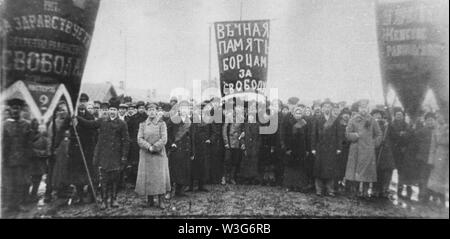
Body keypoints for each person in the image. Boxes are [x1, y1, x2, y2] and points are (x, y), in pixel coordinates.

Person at [75, 97, 130, 209]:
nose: (112, 112)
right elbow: (89, 124)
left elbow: (126, 141)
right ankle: (104, 200)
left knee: (115, 178)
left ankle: (114, 199)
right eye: (111, 110)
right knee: (104, 179)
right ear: (108, 111)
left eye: (114, 110)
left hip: (116, 155)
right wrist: (77, 117)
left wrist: (124, 156)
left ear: (117, 111)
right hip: (104, 154)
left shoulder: (122, 124)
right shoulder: (102, 121)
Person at [135, 102, 171, 209]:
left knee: (160, 177)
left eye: (153, 110)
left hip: (158, 155)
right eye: (149, 110)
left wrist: (154, 147)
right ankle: (149, 200)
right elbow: (139, 139)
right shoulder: (142, 124)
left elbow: (164, 139)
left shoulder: (162, 124)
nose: (151, 112)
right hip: (146, 155)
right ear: (146, 112)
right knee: (148, 178)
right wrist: (148, 147)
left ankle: (161, 200)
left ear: (156, 112)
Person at [344, 100, 382, 199]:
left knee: (367, 173)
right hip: (356, 149)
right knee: (355, 172)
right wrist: (355, 135)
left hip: (368, 150)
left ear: (367, 108)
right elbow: (347, 134)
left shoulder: (372, 120)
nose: (363, 110)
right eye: (361, 108)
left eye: (365, 108)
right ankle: (355, 192)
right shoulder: (353, 119)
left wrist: (373, 143)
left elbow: (379, 134)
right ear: (358, 108)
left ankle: (365, 193)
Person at [2, 98, 33, 214]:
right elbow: (3, 144)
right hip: (8, 160)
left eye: (18, 108)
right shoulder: (5, 125)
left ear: (21, 110)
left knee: (21, 183)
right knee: (9, 183)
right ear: (10, 109)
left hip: (22, 160)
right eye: (13, 108)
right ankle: (9, 205)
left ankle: (20, 204)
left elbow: (29, 143)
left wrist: (27, 157)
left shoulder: (26, 124)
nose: (15, 111)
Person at [311, 100, 342, 197]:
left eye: (329, 107)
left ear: (331, 108)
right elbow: (313, 134)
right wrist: (313, 147)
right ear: (322, 108)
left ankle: (330, 189)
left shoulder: (335, 119)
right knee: (319, 169)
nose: (327, 108)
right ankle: (319, 190)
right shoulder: (317, 119)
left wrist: (339, 147)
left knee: (330, 169)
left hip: (331, 148)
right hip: (320, 147)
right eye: (325, 107)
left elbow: (339, 135)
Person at [68, 104, 97, 204]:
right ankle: (79, 195)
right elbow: (70, 134)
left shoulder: (90, 118)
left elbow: (92, 130)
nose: (82, 112)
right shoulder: (72, 119)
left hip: (88, 150)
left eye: (83, 110)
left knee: (90, 174)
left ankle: (92, 194)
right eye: (80, 110)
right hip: (76, 151)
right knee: (77, 175)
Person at [167, 100, 195, 197]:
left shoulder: (189, 121)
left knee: (184, 170)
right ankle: (170, 191)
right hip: (176, 149)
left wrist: (192, 152)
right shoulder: (173, 119)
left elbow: (192, 137)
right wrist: (171, 144)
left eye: (186, 108)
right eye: (182, 108)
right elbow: (167, 133)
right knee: (174, 171)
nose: (184, 110)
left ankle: (180, 191)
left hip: (186, 150)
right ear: (179, 109)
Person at [45, 102, 71, 203]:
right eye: (60, 110)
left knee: (64, 171)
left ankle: (62, 190)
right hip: (55, 151)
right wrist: (50, 151)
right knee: (51, 173)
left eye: (64, 110)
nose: (62, 112)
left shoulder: (70, 122)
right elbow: (50, 138)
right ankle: (48, 193)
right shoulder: (54, 123)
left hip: (66, 151)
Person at [281, 106, 311, 192]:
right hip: (290, 148)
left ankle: (298, 185)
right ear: (293, 113)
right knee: (290, 168)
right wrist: (286, 148)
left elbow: (307, 137)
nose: (298, 115)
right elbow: (283, 135)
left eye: (300, 113)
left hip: (301, 148)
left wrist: (307, 149)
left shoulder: (304, 123)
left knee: (300, 168)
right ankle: (289, 185)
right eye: (297, 113)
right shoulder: (288, 122)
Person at [427, 112, 449, 209]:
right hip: (438, 155)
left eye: (443, 117)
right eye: (439, 117)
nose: (441, 119)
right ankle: (437, 197)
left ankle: (443, 198)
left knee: (446, 177)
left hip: (447, 155)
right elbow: (433, 146)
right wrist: (431, 160)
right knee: (436, 177)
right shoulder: (436, 130)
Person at [372, 108, 395, 199]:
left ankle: (384, 190)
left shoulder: (387, 125)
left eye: (379, 114)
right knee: (376, 171)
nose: (377, 116)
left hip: (386, 152)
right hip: (376, 151)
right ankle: (376, 190)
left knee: (387, 171)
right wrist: (377, 142)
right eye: (375, 114)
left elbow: (393, 136)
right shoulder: (371, 125)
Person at [125, 101, 147, 187]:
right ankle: (134, 181)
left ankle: (144, 181)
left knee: (144, 162)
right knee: (135, 162)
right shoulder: (133, 118)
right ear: (137, 109)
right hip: (135, 143)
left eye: (142, 108)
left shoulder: (147, 118)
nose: (141, 109)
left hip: (145, 142)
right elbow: (129, 130)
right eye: (139, 108)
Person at [390, 108, 411, 199]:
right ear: (395, 116)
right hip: (392, 150)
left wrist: (404, 135)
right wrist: (399, 134)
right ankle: (387, 188)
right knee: (389, 169)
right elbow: (390, 135)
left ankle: (399, 190)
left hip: (402, 151)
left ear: (403, 116)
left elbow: (409, 136)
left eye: (401, 115)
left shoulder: (406, 125)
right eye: (397, 115)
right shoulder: (391, 125)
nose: (399, 116)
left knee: (401, 171)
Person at [190, 102, 211, 192]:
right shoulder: (192, 119)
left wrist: (210, 139)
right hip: (193, 144)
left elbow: (214, 132)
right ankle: (190, 186)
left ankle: (201, 185)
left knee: (203, 166)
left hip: (204, 146)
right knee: (192, 165)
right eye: (200, 109)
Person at [28, 119, 50, 203]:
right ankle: (27, 195)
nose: (35, 127)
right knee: (28, 181)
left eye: (36, 125)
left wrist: (37, 152)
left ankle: (33, 194)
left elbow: (46, 151)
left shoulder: (42, 138)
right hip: (30, 162)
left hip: (39, 163)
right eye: (33, 125)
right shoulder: (27, 137)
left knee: (37, 179)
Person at [222, 105, 245, 185]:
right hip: (229, 142)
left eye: (240, 110)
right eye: (237, 110)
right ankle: (224, 177)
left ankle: (232, 178)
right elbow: (224, 130)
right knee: (227, 161)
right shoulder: (229, 117)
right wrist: (226, 142)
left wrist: (242, 143)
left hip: (237, 143)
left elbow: (242, 132)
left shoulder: (242, 119)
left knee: (235, 161)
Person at [240, 106, 261, 185]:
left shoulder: (257, 125)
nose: (251, 118)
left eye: (252, 117)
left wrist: (257, 146)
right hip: (246, 146)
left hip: (254, 146)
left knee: (253, 163)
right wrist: (242, 144)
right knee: (246, 162)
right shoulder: (244, 125)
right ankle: (246, 178)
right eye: (249, 117)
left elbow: (259, 137)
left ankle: (252, 178)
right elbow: (241, 136)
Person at [336, 108, 352, 193]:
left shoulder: (351, 124)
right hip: (340, 147)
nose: (346, 116)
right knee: (339, 164)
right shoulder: (338, 124)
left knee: (347, 165)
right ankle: (338, 181)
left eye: (348, 114)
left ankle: (345, 182)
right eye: (345, 114)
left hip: (349, 148)